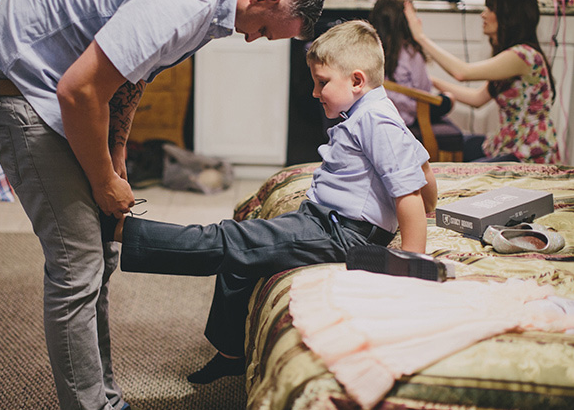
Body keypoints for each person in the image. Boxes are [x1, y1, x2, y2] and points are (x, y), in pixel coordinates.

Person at [0, 0, 326, 410]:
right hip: (20, 86)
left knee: (101, 256)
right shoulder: (186, 2)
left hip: (59, 82)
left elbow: (131, 77)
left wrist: (115, 155)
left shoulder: (211, 15)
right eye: (265, 30)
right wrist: (102, 181)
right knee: (77, 265)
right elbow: (80, 90)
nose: (255, 41)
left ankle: (104, 402)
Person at [101, 20, 438, 387]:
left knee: (227, 240)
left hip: (343, 234)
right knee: (242, 258)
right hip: (326, 222)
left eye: (322, 82)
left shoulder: (377, 121)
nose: (314, 92)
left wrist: (413, 265)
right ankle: (232, 352)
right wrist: (433, 208)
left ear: (357, 81)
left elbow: (408, 193)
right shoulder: (372, 112)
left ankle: (123, 231)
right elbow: (422, 169)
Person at [404, 0, 560, 163]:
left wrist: (421, 37)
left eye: (490, 9)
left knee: (461, 176)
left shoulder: (523, 55)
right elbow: (476, 99)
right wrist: (430, 80)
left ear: (508, 16)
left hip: (527, 152)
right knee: (454, 145)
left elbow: (462, 72)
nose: (483, 15)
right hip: (507, 143)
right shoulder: (514, 55)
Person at [369, 0, 453, 126]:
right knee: (448, 99)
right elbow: (424, 90)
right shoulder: (410, 52)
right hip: (408, 115)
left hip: (378, 112)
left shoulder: (367, 50)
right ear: (405, 22)